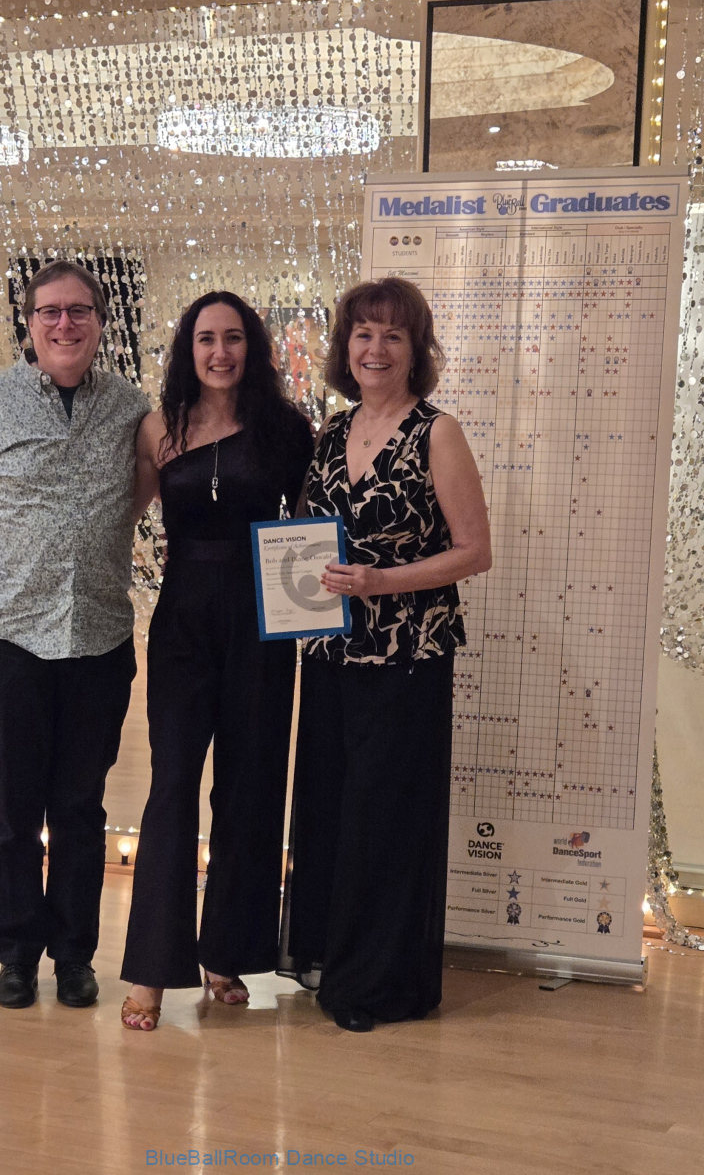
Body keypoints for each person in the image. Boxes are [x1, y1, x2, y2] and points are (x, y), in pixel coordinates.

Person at [0, 260, 150, 1010]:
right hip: (11, 637)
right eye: (50, 311)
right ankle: (16, 954)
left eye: (79, 311)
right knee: (14, 809)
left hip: (99, 637)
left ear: (101, 323)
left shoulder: (130, 408)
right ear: (29, 322)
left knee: (80, 807)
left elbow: (146, 486)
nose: (64, 324)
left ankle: (74, 956)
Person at [278, 276, 492, 1032]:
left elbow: (474, 552)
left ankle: (377, 985)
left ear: (414, 350)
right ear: (346, 348)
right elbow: (304, 538)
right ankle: (334, 961)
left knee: (386, 820)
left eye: (392, 335)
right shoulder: (331, 433)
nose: (375, 348)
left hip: (407, 659)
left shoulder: (437, 432)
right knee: (331, 811)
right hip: (329, 658)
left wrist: (381, 581)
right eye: (363, 334)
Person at [119, 291, 314, 1031]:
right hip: (182, 622)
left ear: (251, 347)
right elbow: (125, 515)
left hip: (264, 621)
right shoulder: (160, 427)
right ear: (188, 349)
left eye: (234, 338)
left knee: (248, 785)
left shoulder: (286, 429)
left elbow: (312, 525)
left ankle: (226, 953)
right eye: (206, 339)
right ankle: (151, 970)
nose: (220, 352)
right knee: (171, 784)